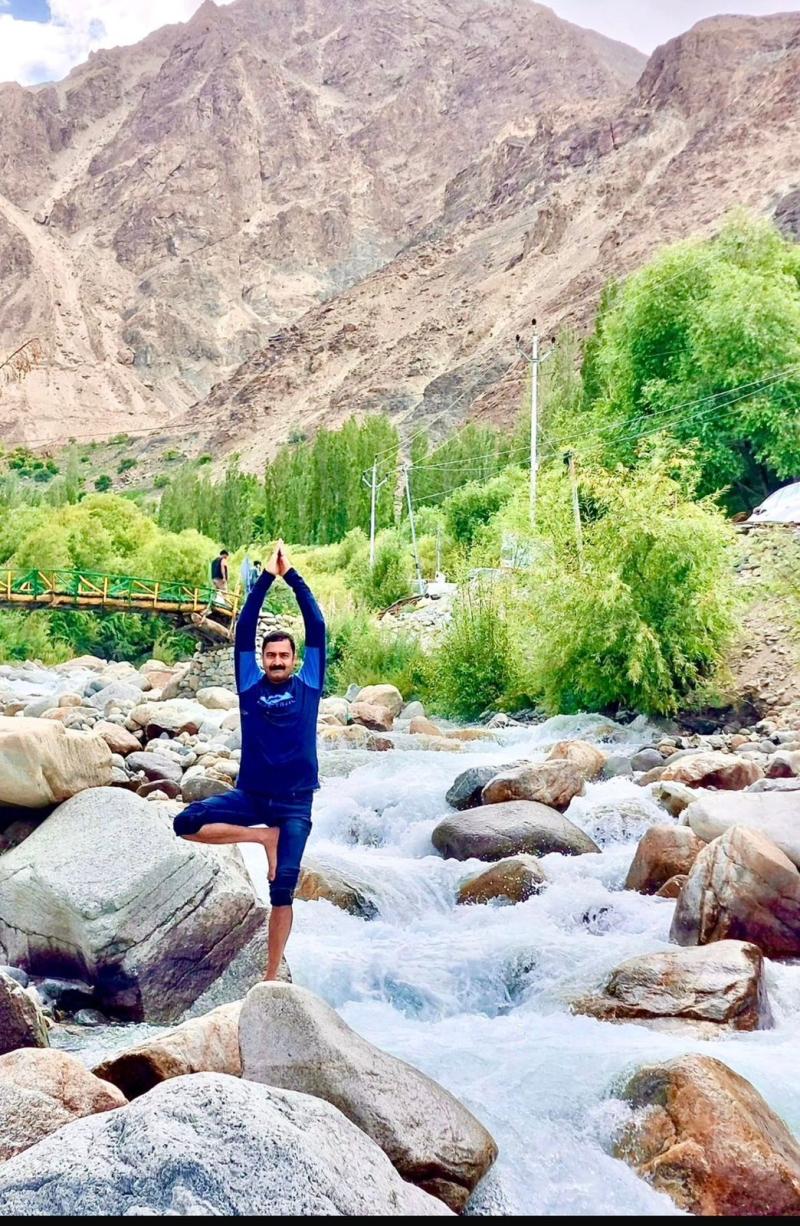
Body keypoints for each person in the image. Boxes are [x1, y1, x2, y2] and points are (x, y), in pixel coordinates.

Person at [173, 540, 325, 981]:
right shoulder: (249, 685)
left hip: (295, 803)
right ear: (261, 659)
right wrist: (263, 581)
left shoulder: (309, 684)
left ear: (294, 660)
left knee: (282, 891)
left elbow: (316, 625)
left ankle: (271, 977)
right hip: (252, 798)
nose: (276, 661)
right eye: (270, 656)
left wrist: (290, 576)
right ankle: (262, 838)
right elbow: (244, 628)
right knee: (185, 822)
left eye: (283, 656)